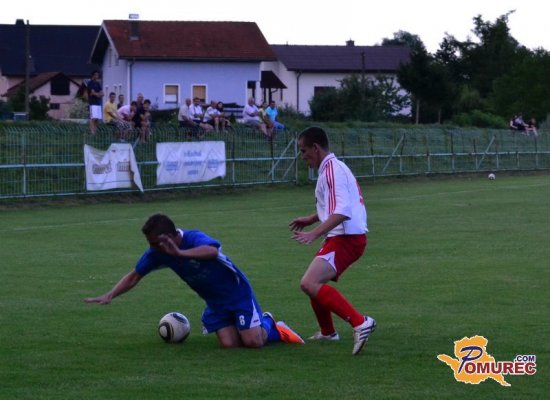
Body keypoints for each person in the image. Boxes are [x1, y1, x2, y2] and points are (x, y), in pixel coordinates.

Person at [84, 213, 304, 349]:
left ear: (170, 237)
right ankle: (246, 325)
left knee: (253, 342)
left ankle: (271, 324)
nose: (151, 247)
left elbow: (212, 251)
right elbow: (135, 275)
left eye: (154, 242)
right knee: (230, 345)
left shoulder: (193, 237)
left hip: (237, 294)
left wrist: (180, 254)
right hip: (215, 302)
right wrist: (110, 294)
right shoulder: (158, 252)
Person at [289, 126, 376, 356]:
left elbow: (342, 211)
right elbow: (336, 205)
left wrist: (314, 233)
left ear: (316, 148)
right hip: (344, 236)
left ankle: (361, 323)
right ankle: (328, 332)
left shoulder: (332, 171)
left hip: (347, 238)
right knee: (313, 283)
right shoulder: (332, 168)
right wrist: (311, 218)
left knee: (309, 283)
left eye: (303, 150)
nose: (302, 156)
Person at [86, 70, 103, 135]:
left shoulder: (98, 83)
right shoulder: (90, 83)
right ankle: (92, 132)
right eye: (96, 75)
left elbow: (102, 93)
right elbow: (92, 92)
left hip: (98, 103)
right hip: (92, 103)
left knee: (97, 119)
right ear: (93, 75)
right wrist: (97, 94)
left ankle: (95, 131)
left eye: (98, 75)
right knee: (93, 118)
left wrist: (97, 94)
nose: (97, 76)